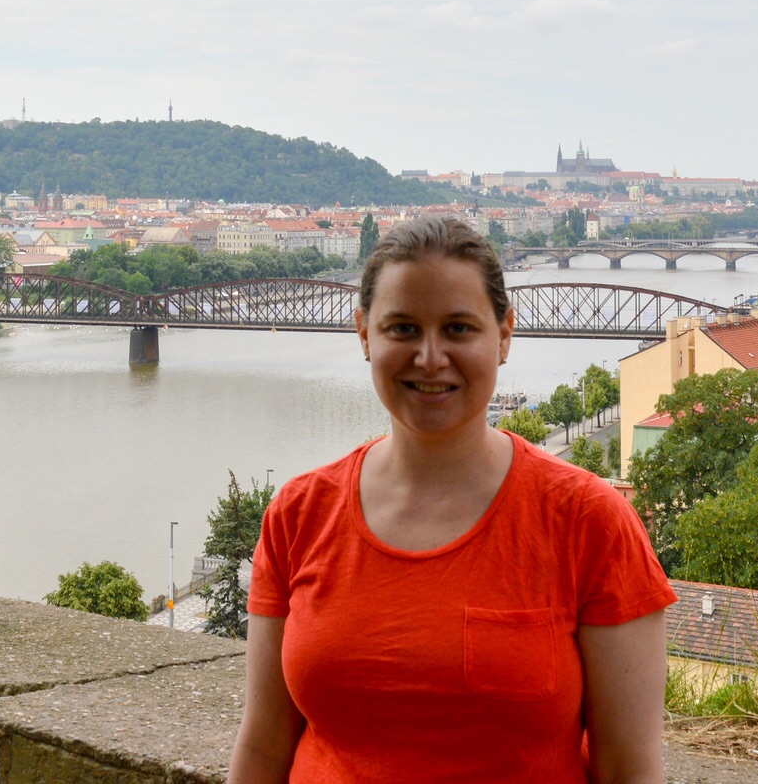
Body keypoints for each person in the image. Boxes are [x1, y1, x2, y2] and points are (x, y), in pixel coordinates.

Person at [228, 216, 675, 784]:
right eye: (404, 329)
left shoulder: (588, 520)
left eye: (459, 329)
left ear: (505, 335)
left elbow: (628, 770)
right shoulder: (299, 513)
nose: (431, 358)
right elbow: (264, 748)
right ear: (364, 334)